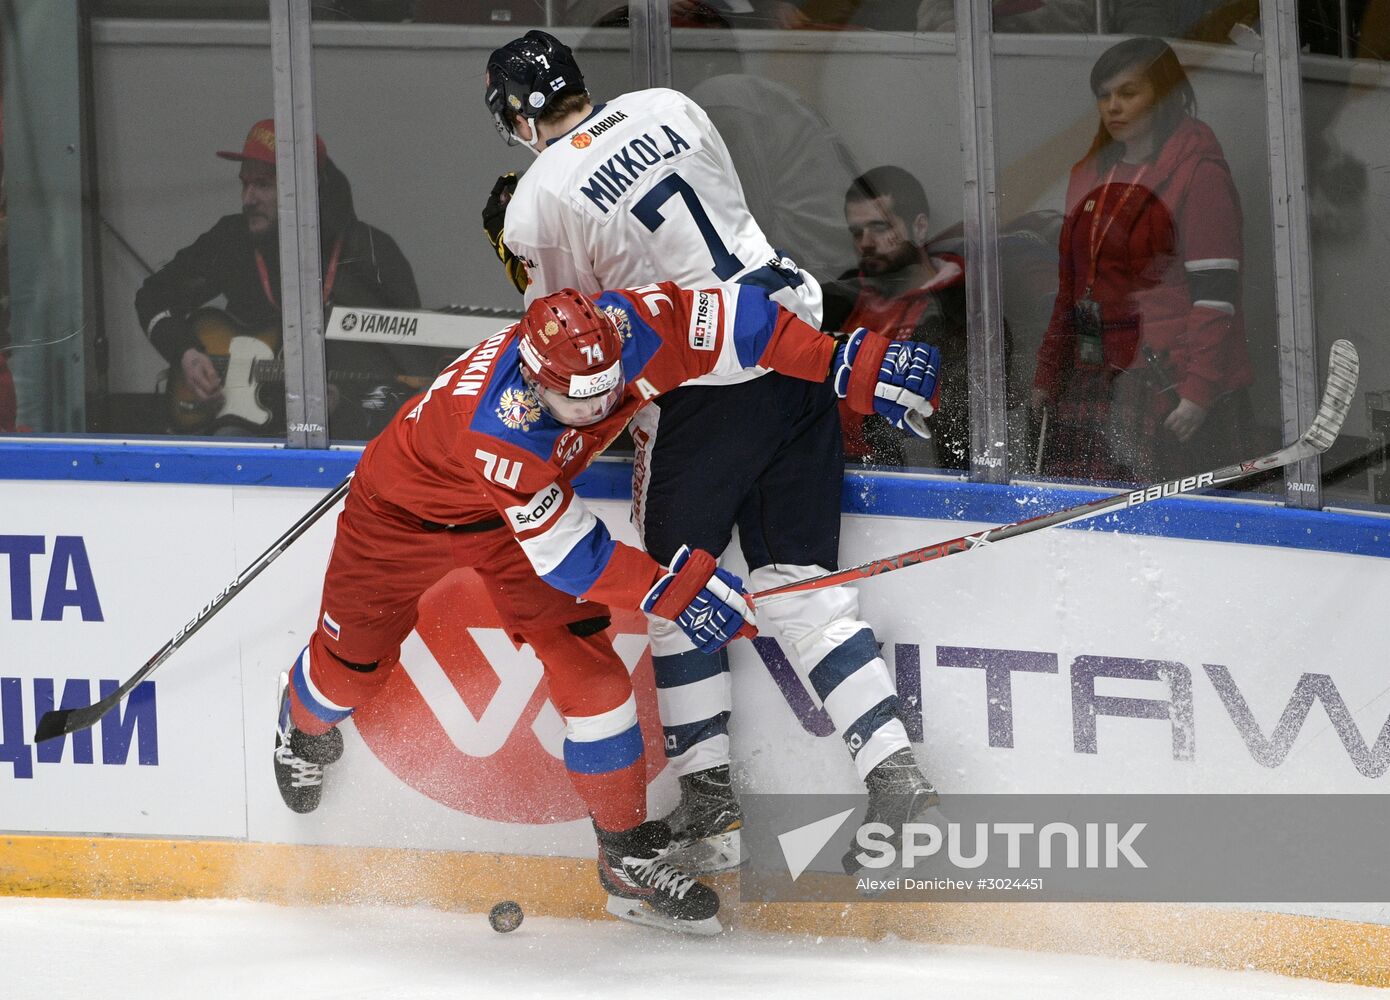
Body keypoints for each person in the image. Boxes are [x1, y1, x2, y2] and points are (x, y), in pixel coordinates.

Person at [273, 280, 941, 934]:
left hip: (516, 528)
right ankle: (299, 724)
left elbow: (744, 321)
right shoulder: (501, 427)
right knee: (348, 672)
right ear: (534, 383)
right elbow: (575, 558)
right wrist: (674, 593)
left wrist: (845, 358)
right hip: (396, 525)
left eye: (606, 390)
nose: (597, 412)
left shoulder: (629, 325)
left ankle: (624, 859)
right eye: (577, 400)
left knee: (595, 683)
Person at [482, 30, 940, 874]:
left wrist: (521, 259)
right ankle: (895, 774)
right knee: (800, 587)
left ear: (515, 115)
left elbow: (569, 336)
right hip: (794, 350)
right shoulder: (670, 105)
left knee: (674, 590)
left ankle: (710, 803)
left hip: (702, 390)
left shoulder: (538, 195)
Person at [1029, 37, 1254, 484]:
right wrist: (1048, 375)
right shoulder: (1089, 174)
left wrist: (1198, 393)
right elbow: (1071, 290)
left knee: (1176, 519)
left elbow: (1216, 297)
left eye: (1128, 93)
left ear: (1165, 94)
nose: (1112, 106)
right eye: (1104, 95)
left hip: (1172, 387)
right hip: (1097, 377)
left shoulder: (1200, 174)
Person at [134, 119, 422, 439]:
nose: (248, 199)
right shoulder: (231, 238)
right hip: (245, 428)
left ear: (307, 190)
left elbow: (409, 371)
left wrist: (346, 406)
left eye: (263, 185)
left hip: (343, 435)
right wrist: (185, 352)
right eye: (244, 184)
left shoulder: (372, 252)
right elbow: (152, 296)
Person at [823, 166, 1000, 470]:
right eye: (857, 232)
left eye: (880, 227)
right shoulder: (836, 299)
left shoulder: (963, 313)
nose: (865, 242)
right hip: (825, 465)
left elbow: (958, 423)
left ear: (919, 228)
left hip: (901, 476)